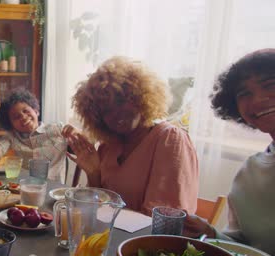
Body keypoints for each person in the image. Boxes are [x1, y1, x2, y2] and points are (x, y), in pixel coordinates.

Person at [68, 56, 199, 216]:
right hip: (112, 236)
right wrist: (93, 173)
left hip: (146, 240)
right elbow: (100, 208)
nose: (116, 114)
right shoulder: (108, 147)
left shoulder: (169, 139)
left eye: (120, 102)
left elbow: (162, 220)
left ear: (140, 97)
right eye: (106, 110)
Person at [183, 49, 275, 256]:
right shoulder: (250, 171)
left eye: (270, 85)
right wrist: (209, 231)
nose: (258, 99)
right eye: (245, 94)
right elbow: (247, 250)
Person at [0, 88, 80, 182]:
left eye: (26, 111)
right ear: (11, 125)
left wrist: (77, 132)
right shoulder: (12, 137)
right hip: (24, 188)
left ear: (36, 111)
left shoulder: (58, 130)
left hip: (53, 191)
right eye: (16, 117)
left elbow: (90, 143)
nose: (23, 116)